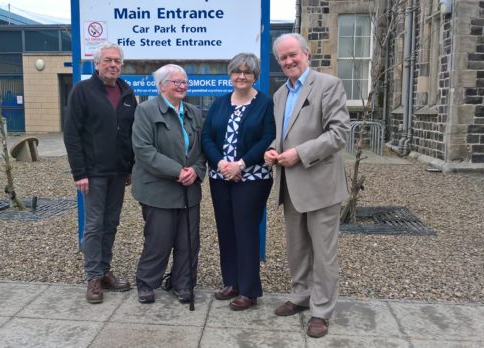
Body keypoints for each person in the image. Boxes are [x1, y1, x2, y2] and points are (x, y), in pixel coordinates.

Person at [264, 33, 350, 338]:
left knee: (323, 254)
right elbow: (283, 135)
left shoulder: (328, 85)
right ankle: (301, 295)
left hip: (321, 185)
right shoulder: (279, 95)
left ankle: (321, 310)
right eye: (283, 58)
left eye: (293, 55)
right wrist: (272, 150)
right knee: (297, 249)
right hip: (289, 184)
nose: (288, 61)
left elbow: (339, 133)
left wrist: (299, 154)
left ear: (306, 54)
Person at [63, 42, 137, 304]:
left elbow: (129, 134)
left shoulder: (127, 92)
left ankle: (105, 271)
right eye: (108, 60)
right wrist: (78, 173)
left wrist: (129, 167)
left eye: (117, 61)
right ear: (97, 64)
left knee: (111, 223)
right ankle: (93, 277)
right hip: (92, 173)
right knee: (94, 225)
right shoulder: (82, 91)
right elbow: (72, 135)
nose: (113, 65)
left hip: (118, 172)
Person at [201, 53, 275, 311]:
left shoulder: (264, 104)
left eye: (248, 72)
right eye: (237, 71)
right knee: (226, 230)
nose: (242, 76)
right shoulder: (220, 103)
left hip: (252, 178)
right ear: (230, 74)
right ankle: (231, 282)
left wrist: (240, 164)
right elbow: (207, 136)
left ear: (255, 75)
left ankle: (249, 290)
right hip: (220, 177)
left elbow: (267, 137)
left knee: (245, 231)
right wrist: (221, 164)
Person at [131, 64, 206, 304]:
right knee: (159, 239)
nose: (183, 85)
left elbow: (203, 149)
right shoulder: (146, 110)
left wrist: (195, 170)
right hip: (158, 190)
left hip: (189, 189)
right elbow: (143, 150)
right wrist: (177, 171)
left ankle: (182, 283)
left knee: (188, 240)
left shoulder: (193, 112)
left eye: (185, 81)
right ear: (162, 85)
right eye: (177, 82)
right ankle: (147, 282)